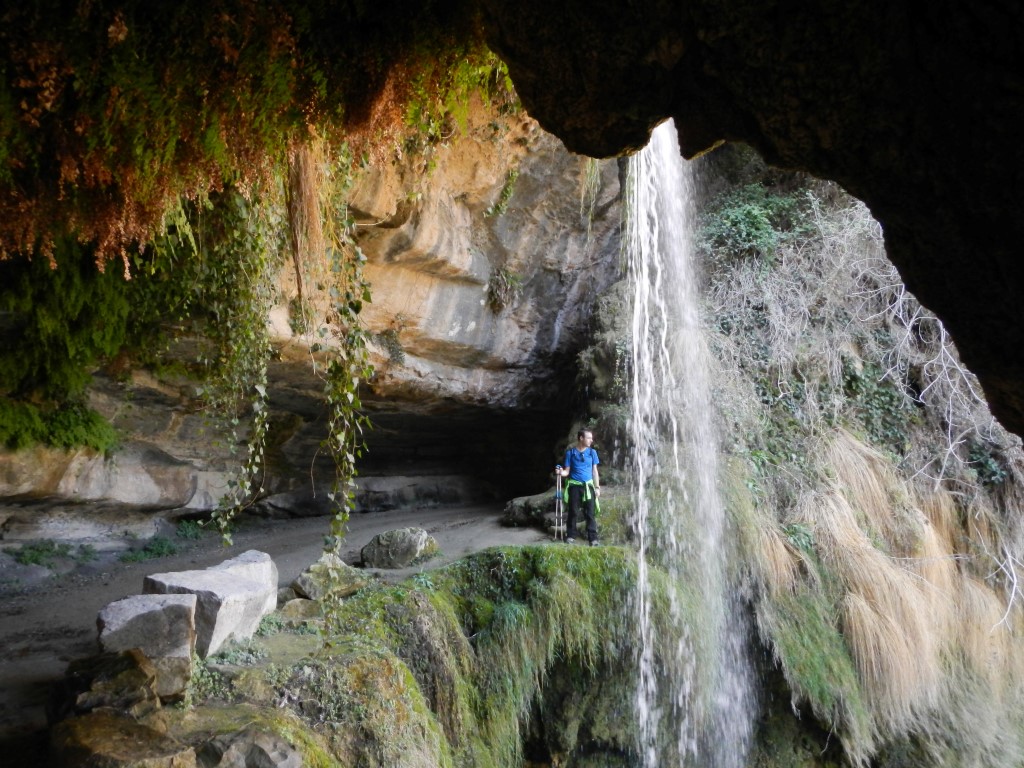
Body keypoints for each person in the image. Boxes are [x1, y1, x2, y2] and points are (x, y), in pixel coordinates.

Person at [556, 428, 601, 546]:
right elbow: (567, 471)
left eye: (591, 438)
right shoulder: (570, 453)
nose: (591, 440)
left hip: (588, 486)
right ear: (581, 438)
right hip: (574, 486)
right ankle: (571, 536)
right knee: (573, 512)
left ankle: (593, 538)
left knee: (590, 513)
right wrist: (560, 472)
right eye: (589, 438)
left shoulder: (592, 453)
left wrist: (597, 487)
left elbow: (595, 471)